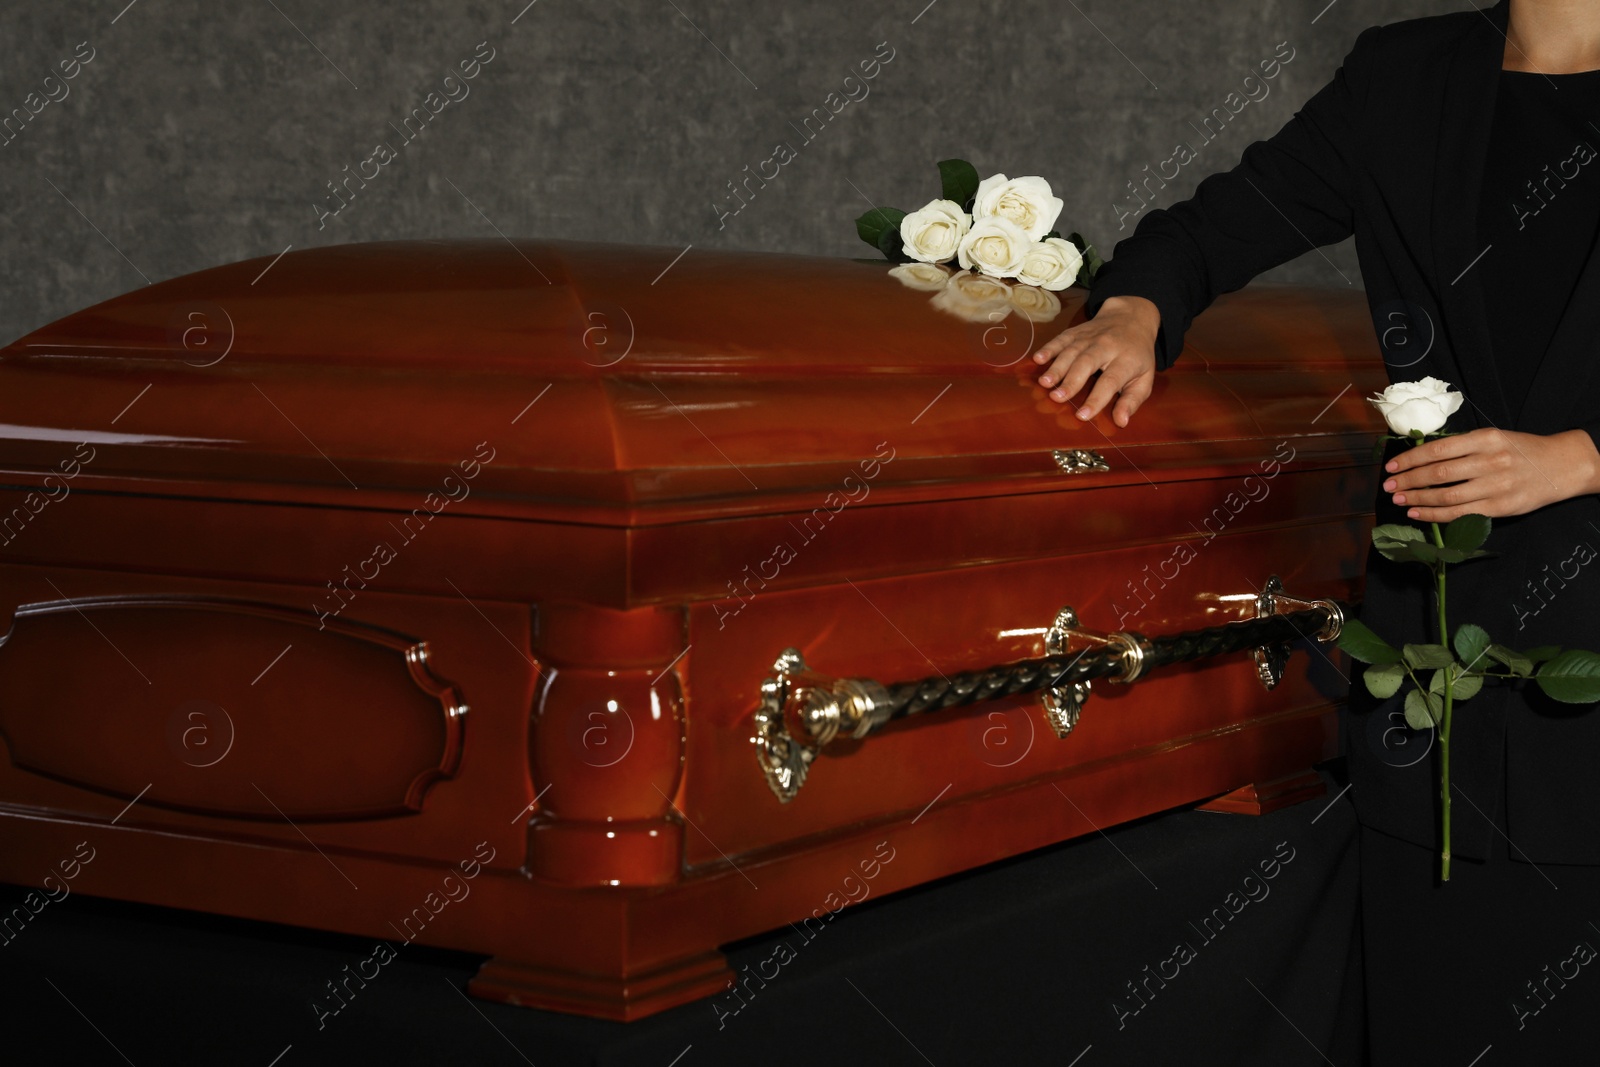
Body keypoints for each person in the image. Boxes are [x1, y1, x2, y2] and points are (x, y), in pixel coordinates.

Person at [1031, 0, 1600, 1061]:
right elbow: (1221, 220)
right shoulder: (1403, 73)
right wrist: (1136, 309)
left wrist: (1579, 457)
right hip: (1436, 693)